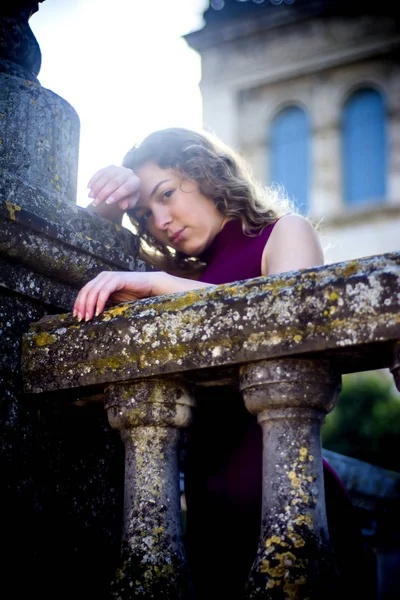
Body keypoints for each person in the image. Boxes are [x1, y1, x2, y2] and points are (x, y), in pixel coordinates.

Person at [74, 128, 372, 599]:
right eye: (146, 214)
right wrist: (111, 202)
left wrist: (157, 286)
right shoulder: (180, 275)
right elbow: (85, 264)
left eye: (167, 194)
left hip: (291, 505)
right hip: (205, 523)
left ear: (206, 173)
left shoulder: (284, 232)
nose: (161, 220)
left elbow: (282, 320)